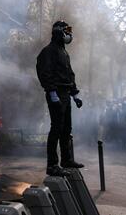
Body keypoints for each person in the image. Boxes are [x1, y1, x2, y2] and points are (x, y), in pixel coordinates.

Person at [36, 21, 84, 176]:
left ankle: (66, 160)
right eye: (66, 30)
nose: (69, 34)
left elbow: (70, 74)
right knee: (56, 128)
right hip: (56, 93)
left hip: (65, 93)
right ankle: (52, 165)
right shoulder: (48, 51)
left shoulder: (63, 52)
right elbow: (45, 73)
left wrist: (75, 94)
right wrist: (52, 92)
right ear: (58, 32)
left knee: (66, 129)